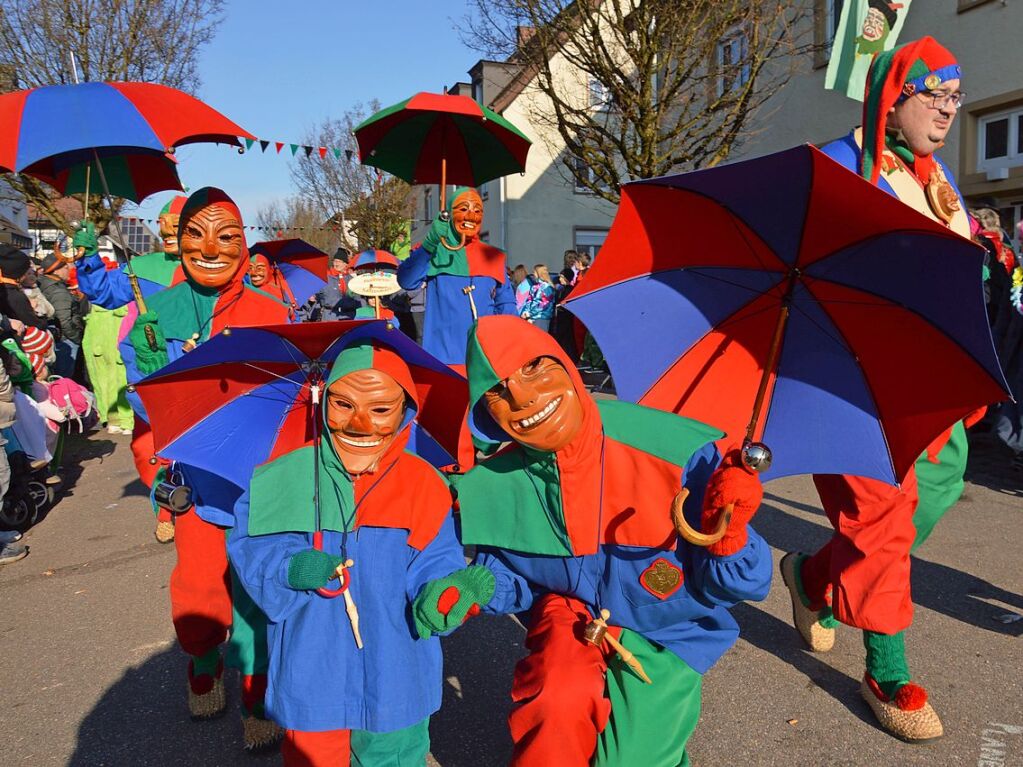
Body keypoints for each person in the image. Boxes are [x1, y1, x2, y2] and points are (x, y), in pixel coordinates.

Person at [414, 316, 771, 766]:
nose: (521, 397)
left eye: (532, 369)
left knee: (635, 759)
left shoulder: (674, 451)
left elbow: (740, 588)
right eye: (497, 390)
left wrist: (731, 534)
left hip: (669, 630)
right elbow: (515, 575)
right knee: (556, 702)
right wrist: (477, 585)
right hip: (569, 610)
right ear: (485, 413)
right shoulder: (496, 480)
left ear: (564, 364)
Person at [780, 37, 975, 742]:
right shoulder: (840, 164)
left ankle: (812, 579)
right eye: (935, 95)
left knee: (943, 481)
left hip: (925, 377)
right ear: (894, 95)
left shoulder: (934, 175)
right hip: (852, 377)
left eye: (955, 98)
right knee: (882, 519)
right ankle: (884, 669)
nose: (949, 111)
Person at [229, 337, 471, 766]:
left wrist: (442, 594)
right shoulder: (280, 476)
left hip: (397, 663)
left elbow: (437, 560)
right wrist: (289, 566)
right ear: (323, 403)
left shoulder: (424, 482)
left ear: (405, 412)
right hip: (311, 663)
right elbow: (251, 548)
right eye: (343, 405)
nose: (360, 425)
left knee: (393, 757)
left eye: (380, 409)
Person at [122, 187, 292, 749]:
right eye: (196, 233)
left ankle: (256, 689)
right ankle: (202, 659)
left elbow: (292, 393)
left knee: (257, 585)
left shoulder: (271, 312)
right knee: (199, 586)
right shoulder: (157, 314)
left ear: (244, 244)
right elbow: (150, 414)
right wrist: (148, 366)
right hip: (193, 475)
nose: (211, 247)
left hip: (259, 476)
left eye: (227, 235)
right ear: (179, 244)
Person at [397, 187, 516, 367]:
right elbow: (406, 280)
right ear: (450, 214)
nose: (471, 216)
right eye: (463, 209)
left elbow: (506, 304)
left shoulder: (493, 256)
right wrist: (430, 244)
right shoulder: (433, 250)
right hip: (444, 359)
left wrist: (509, 345)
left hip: (485, 357)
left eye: (478, 210)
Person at [75, 195, 188, 307]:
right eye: (161, 224)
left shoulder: (205, 268)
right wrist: (89, 258)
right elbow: (103, 292)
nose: (163, 233)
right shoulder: (144, 267)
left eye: (176, 225)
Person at [37, 253, 88, 378]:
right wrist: (77, 339)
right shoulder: (58, 291)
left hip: (56, 338)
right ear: (56, 270)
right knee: (63, 377)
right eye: (66, 267)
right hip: (66, 341)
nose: (69, 270)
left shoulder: (44, 284)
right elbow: (64, 320)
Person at [0, 246, 47, 331]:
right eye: (25, 271)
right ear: (18, 273)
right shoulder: (14, 295)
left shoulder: (6, 289)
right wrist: (37, 311)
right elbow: (36, 325)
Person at [521, 264, 556, 332]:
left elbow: (544, 304)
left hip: (542, 318)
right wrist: (525, 312)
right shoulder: (534, 287)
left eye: (534, 272)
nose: (533, 274)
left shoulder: (547, 288)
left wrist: (530, 314)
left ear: (538, 273)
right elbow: (529, 300)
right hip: (531, 318)